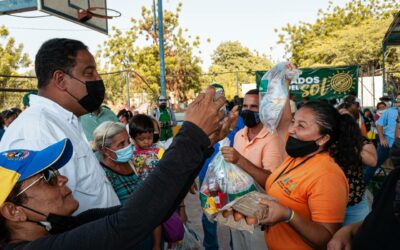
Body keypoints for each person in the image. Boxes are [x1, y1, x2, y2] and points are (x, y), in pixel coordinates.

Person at [0, 86, 237, 250]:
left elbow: (152, 210)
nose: (62, 178)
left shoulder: (61, 228)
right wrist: (191, 135)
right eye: (48, 176)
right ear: (13, 211)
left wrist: (203, 145)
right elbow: (124, 225)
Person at [0, 38, 120, 214]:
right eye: (89, 73)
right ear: (61, 79)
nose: (98, 79)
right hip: (83, 241)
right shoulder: (37, 131)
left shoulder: (66, 121)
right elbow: (45, 215)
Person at [221, 89, 285, 250]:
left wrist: (240, 160)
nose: (248, 110)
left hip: (259, 215)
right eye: (246, 106)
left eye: (254, 107)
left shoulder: (272, 138)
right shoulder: (239, 135)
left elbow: (271, 182)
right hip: (237, 209)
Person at [327, 137, 400, 250]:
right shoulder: (394, 176)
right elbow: (380, 221)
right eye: (399, 124)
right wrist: (348, 231)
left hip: (355, 204)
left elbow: (372, 161)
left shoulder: (357, 140)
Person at [92, 121, 155, 250]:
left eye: (128, 141)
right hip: (127, 240)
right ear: (105, 150)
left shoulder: (134, 163)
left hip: (149, 231)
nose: (128, 147)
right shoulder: (102, 175)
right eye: (121, 144)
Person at [364, 94, 400, 186]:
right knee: (373, 164)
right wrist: (382, 138)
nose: (398, 102)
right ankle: (362, 185)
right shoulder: (389, 111)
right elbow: (379, 124)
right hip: (387, 144)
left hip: (397, 145)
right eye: (397, 100)